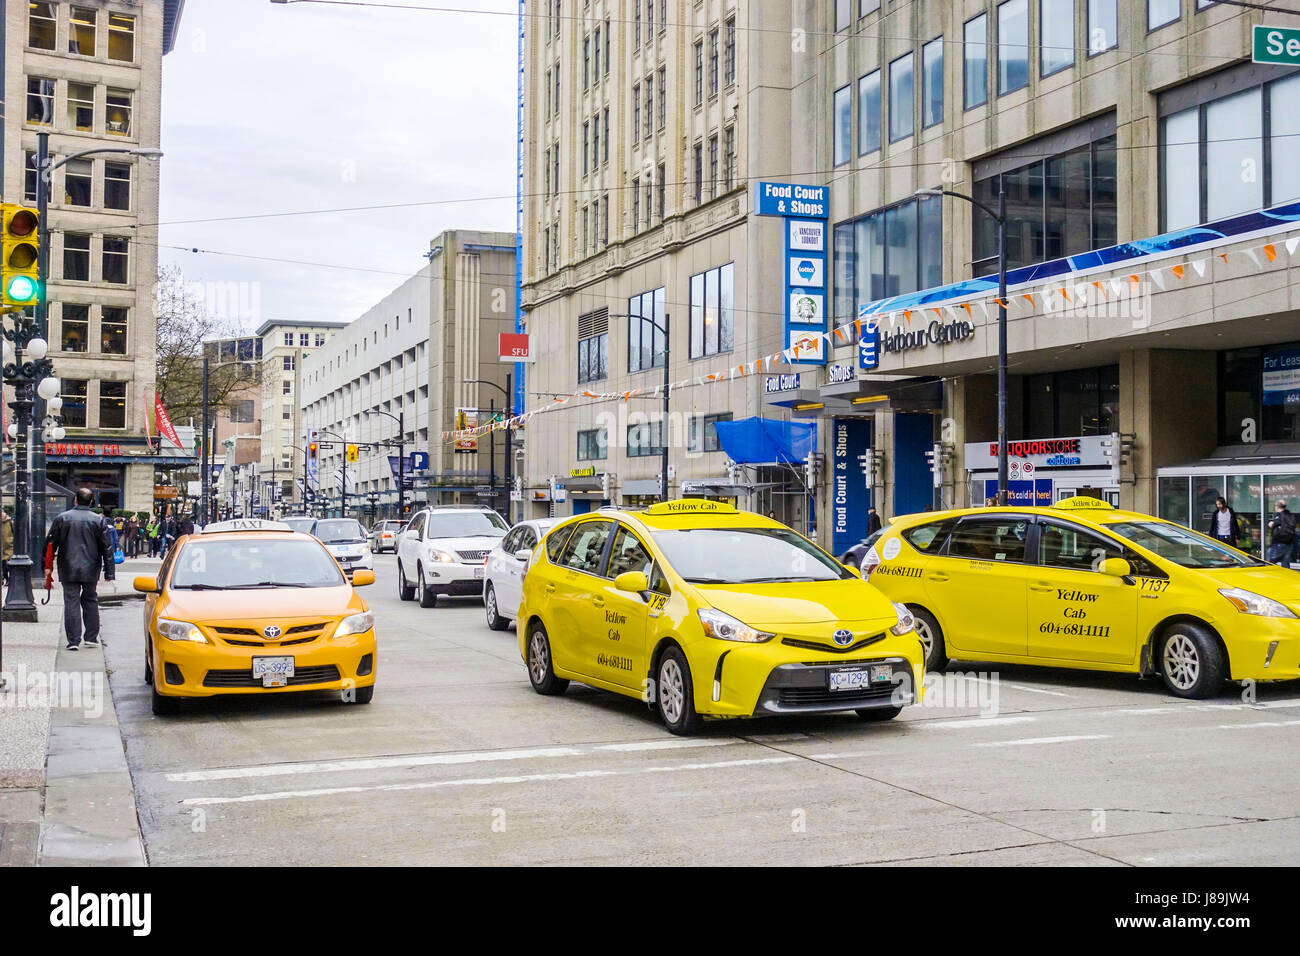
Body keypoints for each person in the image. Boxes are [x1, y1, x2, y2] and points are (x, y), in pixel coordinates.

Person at [45, 488, 115, 651]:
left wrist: (46, 566)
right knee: (90, 599)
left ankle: (73, 640)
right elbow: (107, 547)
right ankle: (91, 637)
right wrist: (109, 572)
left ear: (75, 499)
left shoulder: (62, 518)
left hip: (68, 565)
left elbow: (50, 544)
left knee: (71, 601)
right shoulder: (98, 520)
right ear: (91, 502)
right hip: (91, 566)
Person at [1266, 500, 1296, 566]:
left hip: (1278, 542)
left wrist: (1271, 523)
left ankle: (1269, 575)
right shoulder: (1290, 515)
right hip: (1289, 542)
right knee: (1285, 563)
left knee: (1270, 561)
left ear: (1277, 507)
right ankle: (1286, 576)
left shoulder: (1279, 515)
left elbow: (1275, 524)